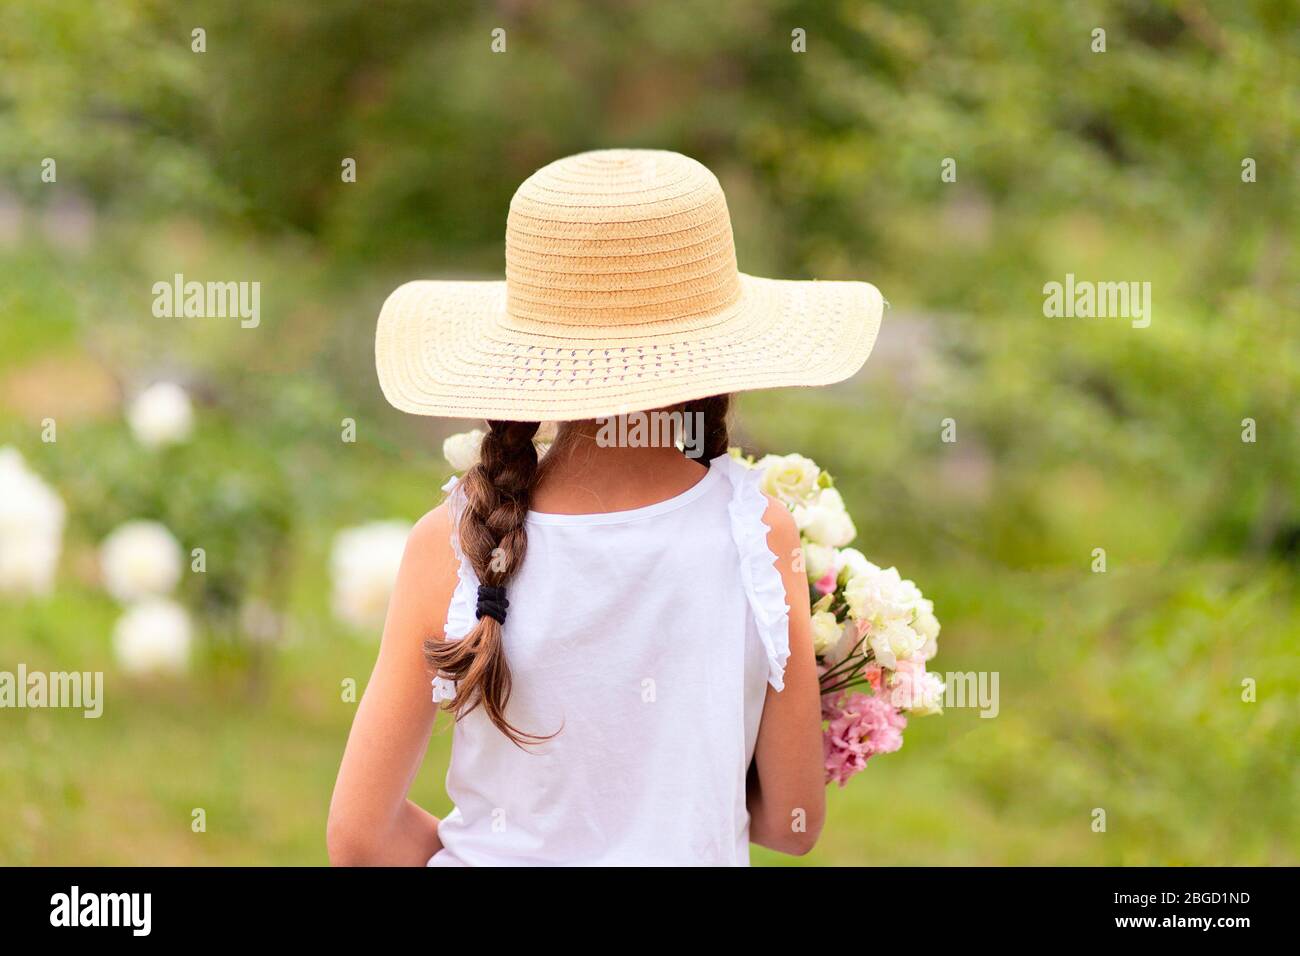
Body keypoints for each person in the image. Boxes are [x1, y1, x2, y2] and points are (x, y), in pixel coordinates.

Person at [328, 149, 883, 865]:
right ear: (716, 353)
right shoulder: (758, 534)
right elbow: (794, 824)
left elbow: (357, 837)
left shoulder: (452, 543)